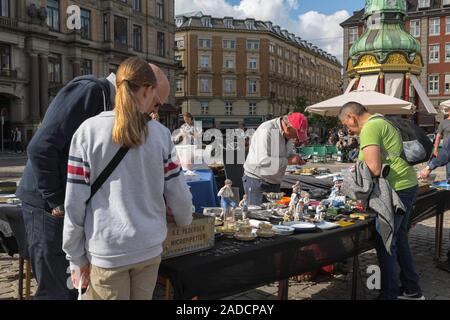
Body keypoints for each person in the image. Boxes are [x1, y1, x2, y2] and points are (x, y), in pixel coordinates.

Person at [63, 57, 193, 300]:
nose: (156, 106)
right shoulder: (161, 135)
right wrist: (185, 220)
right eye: (155, 99)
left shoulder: (87, 132)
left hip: (108, 249)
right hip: (148, 248)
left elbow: (74, 203)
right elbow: (179, 193)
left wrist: (75, 256)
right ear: (147, 90)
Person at [16, 71, 116, 300]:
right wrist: (57, 201)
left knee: (71, 285)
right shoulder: (91, 91)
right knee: (56, 289)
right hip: (46, 205)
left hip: (58, 202)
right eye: (153, 102)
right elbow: (40, 148)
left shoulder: (101, 99)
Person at [339, 101, 424, 300]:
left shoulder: (370, 127)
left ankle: (389, 294)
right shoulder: (382, 121)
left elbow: (374, 168)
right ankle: (412, 289)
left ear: (352, 116)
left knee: (386, 242)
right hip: (407, 185)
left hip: (395, 191)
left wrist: (353, 173)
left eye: (347, 125)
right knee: (399, 239)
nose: (350, 130)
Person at [243, 113, 308, 205]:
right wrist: (288, 161)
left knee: (273, 214)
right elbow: (262, 160)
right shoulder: (267, 130)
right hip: (258, 180)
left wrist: (295, 157)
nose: (296, 138)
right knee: (258, 215)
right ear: (288, 127)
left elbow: (285, 153)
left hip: (273, 181)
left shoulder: (287, 135)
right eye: (296, 134)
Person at [433, 107, 450, 180]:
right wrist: (436, 149)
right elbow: (438, 136)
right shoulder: (443, 122)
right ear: (449, 112)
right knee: (449, 171)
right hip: (447, 151)